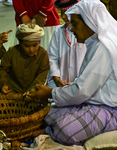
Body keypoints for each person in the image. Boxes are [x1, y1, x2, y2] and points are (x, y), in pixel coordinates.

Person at [28, 0, 117, 146]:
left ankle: (51, 131)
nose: (72, 29)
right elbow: (83, 84)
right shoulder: (94, 43)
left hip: (108, 108)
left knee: (66, 130)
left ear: (89, 22)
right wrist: (67, 87)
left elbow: (82, 91)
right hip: (90, 101)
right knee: (48, 111)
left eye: (75, 24)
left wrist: (50, 93)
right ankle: (57, 125)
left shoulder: (103, 47)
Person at [0, 23, 50, 95]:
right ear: (20, 43)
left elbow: (42, 75)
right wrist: (4, 84)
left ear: (39, 42)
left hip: (32, 92)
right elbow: (3, 70)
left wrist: (32, 89)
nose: (31, 49)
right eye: (27, 46)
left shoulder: (43, 54)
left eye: (35, 45)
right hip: (12, 90)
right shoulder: (12, 52)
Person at [46, 0, 86, 88]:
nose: (63, 16)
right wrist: (56, 78)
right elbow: (52, 57)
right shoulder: (58, 31)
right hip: (61, 83)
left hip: (83, 84)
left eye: (66, 12)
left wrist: (77, 82)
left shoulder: (86, 33)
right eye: (61, 12)